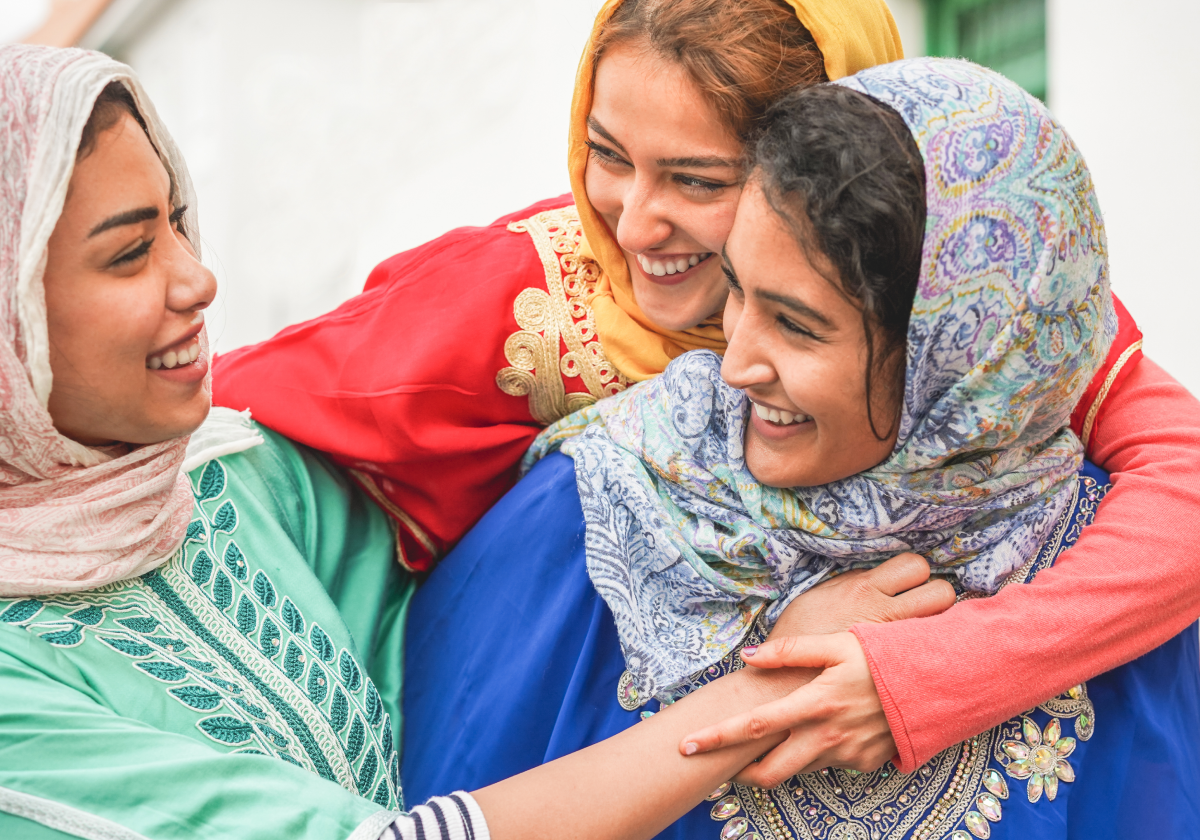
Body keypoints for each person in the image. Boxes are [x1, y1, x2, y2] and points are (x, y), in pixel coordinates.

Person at [210, 0, 1200, 773]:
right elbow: (217, 430)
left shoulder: (969, 301)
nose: (635, 224)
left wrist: (934, 673)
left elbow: (1183, 492)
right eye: (606, 156)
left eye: (697, 180)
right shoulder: (522, 309)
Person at [0, 44, 901, 840]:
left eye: (176, 224)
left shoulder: (238, 478)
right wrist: (770, 690)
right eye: (128, 255)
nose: (197, 279)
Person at [403, 58, 1200, 838]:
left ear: (959, 365)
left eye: (796, 324)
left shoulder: (1125, 584)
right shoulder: (599, 516)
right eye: (738, 289)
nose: (735, 363)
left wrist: (938, 676)